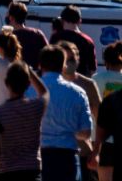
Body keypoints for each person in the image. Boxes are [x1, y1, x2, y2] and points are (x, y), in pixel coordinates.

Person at [36, 45, 93, 181]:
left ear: (40, 65)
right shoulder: (77, 92)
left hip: (37, 157)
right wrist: (69, 130)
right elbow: (86, 132)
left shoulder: (29, 90)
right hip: (67, 158)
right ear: (63, 65)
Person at [0, 62, 45, 181]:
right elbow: (44, 93)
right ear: (28, 84)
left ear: (6, 83)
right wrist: (30, 72)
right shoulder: (36, 107)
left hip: (4, 172)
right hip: (31, 171)